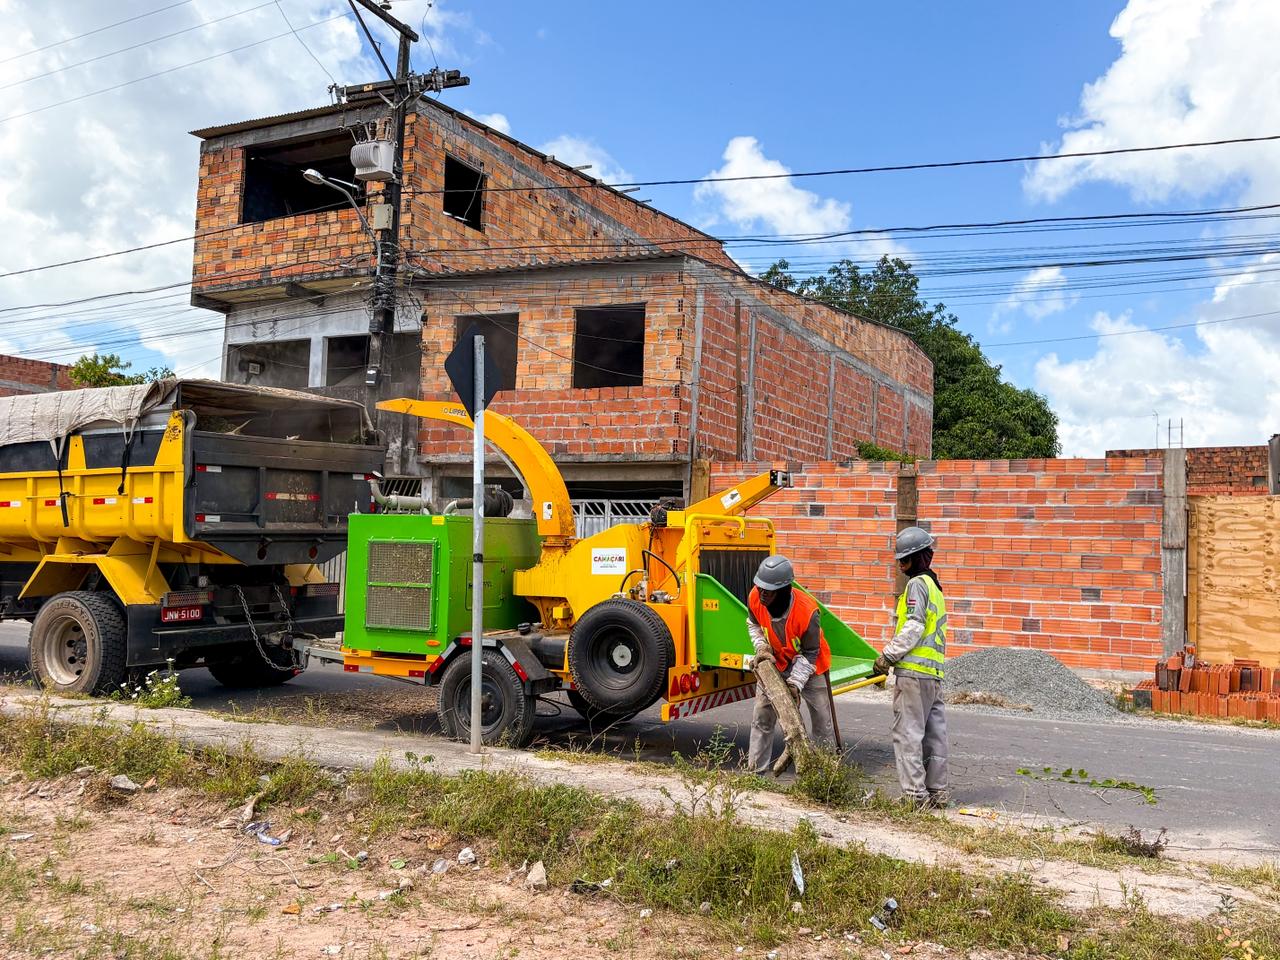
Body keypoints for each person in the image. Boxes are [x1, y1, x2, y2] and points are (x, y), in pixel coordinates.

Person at [874, 526, 950, 809]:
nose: (902, 567)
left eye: (904, 561)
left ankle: (915, 798)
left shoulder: (917, 585)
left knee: (908, 733)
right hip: (933, 675)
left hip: (913, 675)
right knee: (935, 737)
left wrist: (887, 656)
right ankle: (938, 794)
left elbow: (914, 626)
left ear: (918, 558)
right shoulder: (935, 587)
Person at [745, 554, 836, 774]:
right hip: (775, 663)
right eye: (760, 587)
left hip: (812, 668)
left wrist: (795, 683)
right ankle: (755, 774)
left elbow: (811, 652)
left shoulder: (807, 611)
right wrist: (762, 648)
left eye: (768, 590)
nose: (762, 593)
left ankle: (825, 777)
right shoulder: (755, 597)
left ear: (784, 589)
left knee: (822, 724)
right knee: (762, 717)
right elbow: (753, 625)